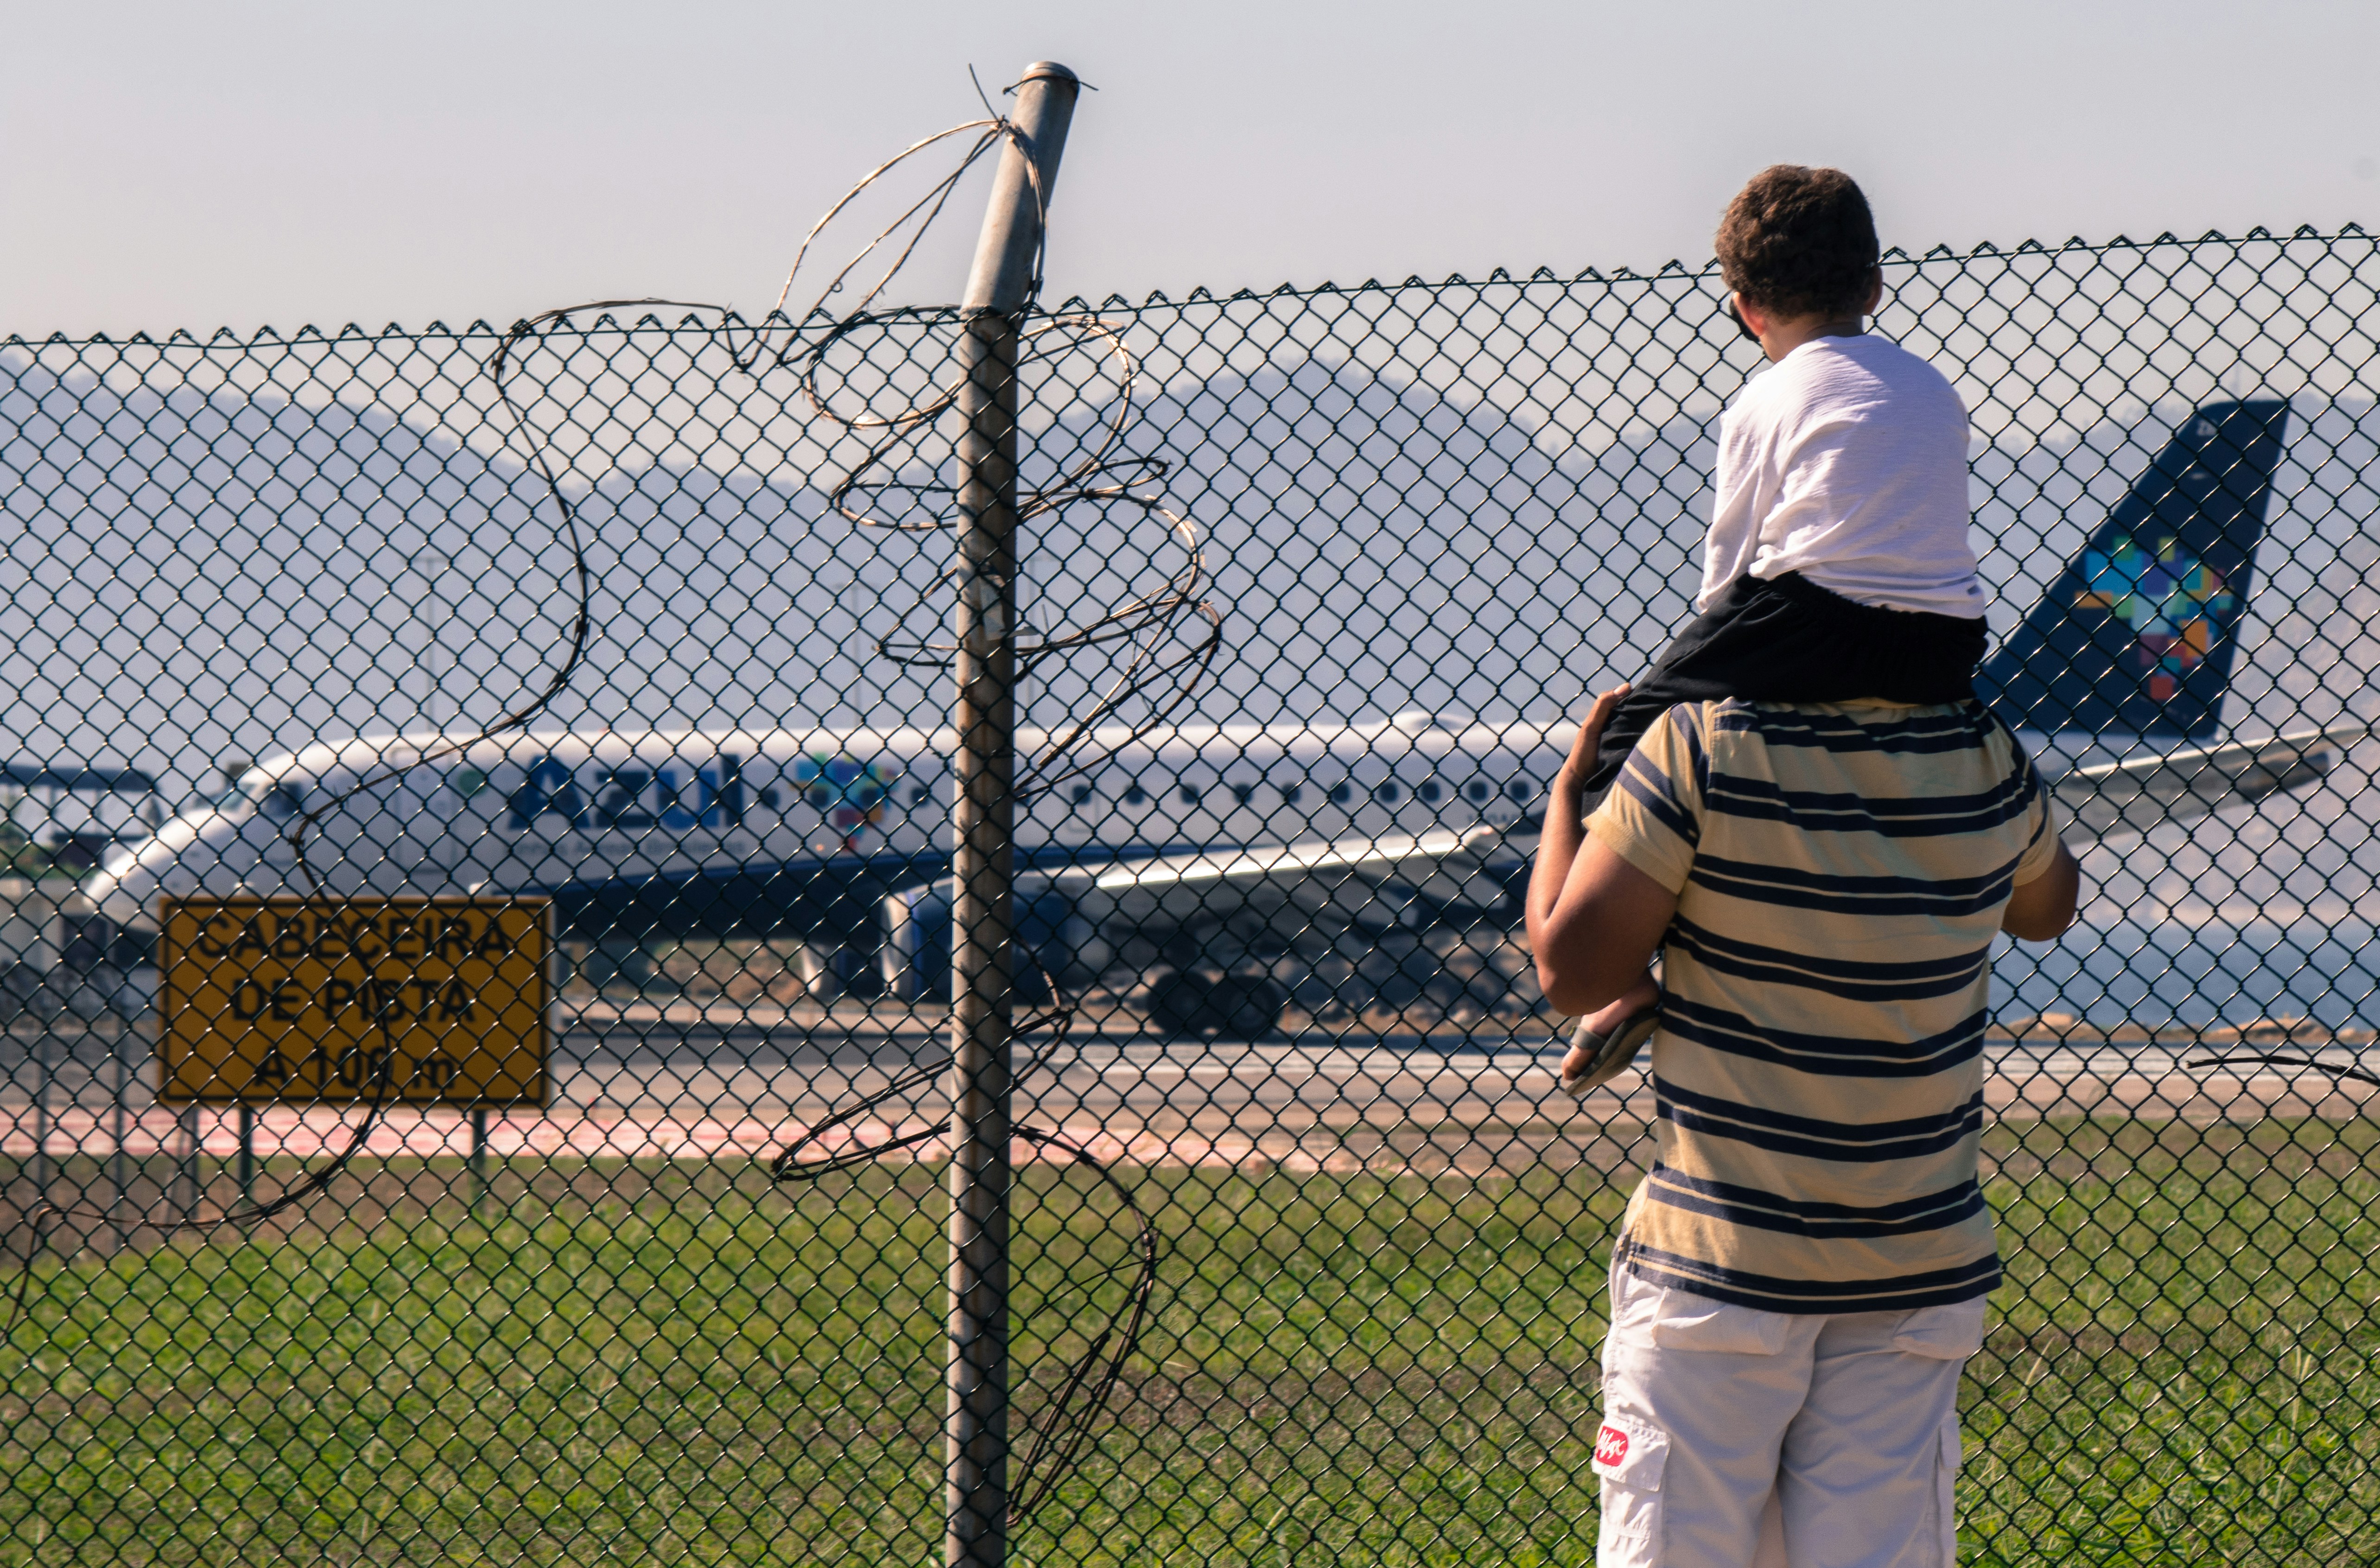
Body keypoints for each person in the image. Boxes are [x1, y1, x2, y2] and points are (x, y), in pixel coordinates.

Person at [1526, 165, 2087, 1568]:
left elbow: (1558, 959)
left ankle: (1652, 996)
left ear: (1738, 306)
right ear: (1878, 287)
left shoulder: (1707, 752)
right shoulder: (1986, 765)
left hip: (1722, 1278)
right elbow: (2049, 905)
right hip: (1915, 1275)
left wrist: (1579, 789)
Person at [1579, 165, 1989, 803]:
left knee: (1626, 737)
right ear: (1875, 288)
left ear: (1747, 311)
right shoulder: (1934, 387)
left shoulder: (1767, 397)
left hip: (1817, 627)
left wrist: (1714, 657)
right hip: (1946, 639)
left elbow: (1730, 566)